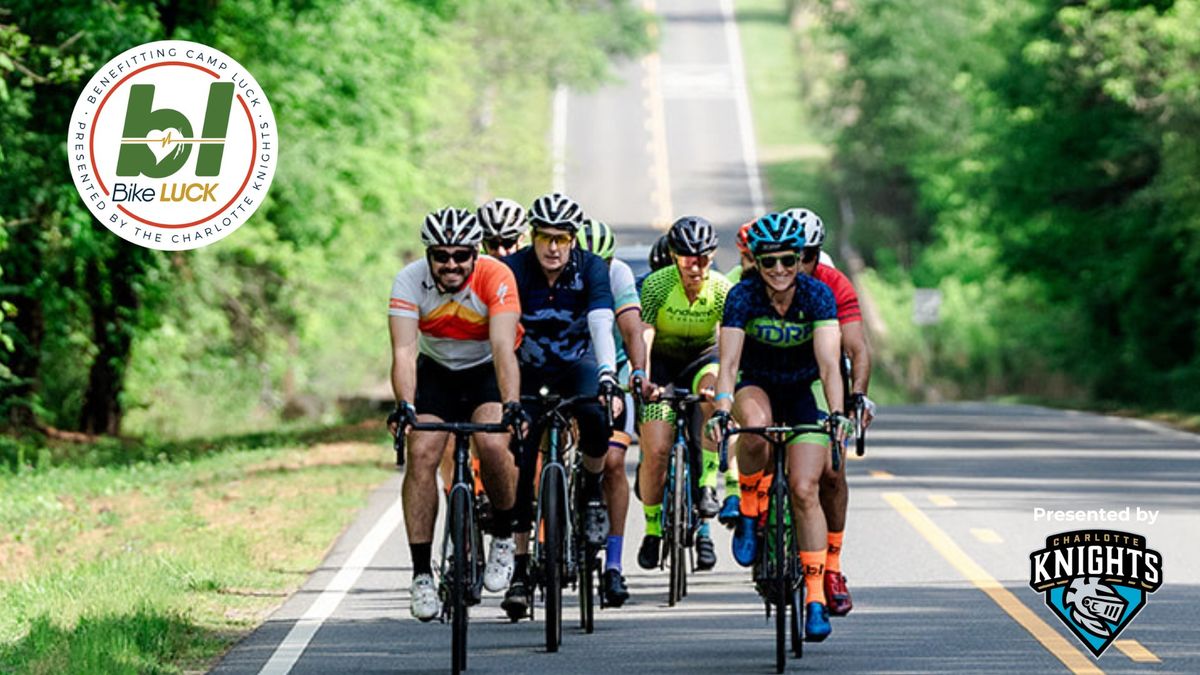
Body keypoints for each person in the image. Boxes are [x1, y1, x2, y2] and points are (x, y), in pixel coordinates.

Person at [707, 210, 852, 641]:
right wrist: (720, 406)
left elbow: (829, 365)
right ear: (757, 261)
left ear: (801, 258)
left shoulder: (817, 295)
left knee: (806, 489)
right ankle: (750, 512)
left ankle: (812, 598)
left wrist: (839, 414)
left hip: (800, 392)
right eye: (769, 262)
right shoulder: (742, 296)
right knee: (755, 425)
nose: (780, 270)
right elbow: (729, 363)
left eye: (789, 260)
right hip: (756, 384)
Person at [387, 207, 524, 621]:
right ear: (429, 255)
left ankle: (503, 534)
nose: (451, 264)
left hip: (484, 370)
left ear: (475, 253)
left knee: (492, 443)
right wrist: (406, 406)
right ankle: (420, 575)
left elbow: (503, 347)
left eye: (461, 255)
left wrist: (512, 402)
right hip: (436, 373)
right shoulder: (410, 280)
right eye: (441, 255)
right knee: (424, 451)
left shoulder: (496, 276)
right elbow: (404, 352)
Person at [500, 193, 621, 619]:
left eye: (562, 239)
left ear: (574, 240)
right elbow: (500, 330)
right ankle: (518, 568)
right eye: (545, 238)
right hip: (528, 369)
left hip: (577, 364)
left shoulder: (591, 268)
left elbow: (601, 323)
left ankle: (590, 494)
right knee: (522, 459)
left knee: (594, 415)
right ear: (532, 238)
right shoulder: (513, 269)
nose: (553, 248)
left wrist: (608, 374)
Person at [784, 206, 877, 617]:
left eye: (806, 255)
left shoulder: (833, 284)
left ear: (816, 254)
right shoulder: (764, 279)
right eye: (790, 254)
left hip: (822, 377)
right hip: (773, 374)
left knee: (833, 473)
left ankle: (833, 569)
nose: (797, 265)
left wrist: (856, 397)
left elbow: (856, 349)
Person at [636, 216, 731, 572]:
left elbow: (726, 342)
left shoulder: (721, 289)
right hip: (662, 365)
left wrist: (722, 384)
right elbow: (644, 333)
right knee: (657, 450)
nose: (697, 266)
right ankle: (651, 527)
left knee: (711, 392)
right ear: (674, 256)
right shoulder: (657, 285)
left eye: (704, 257)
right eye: (688, 258)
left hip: (702, 361)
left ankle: (707, 485)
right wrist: (642, 376)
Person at [576, 218, 649, 607]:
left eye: (601, 263)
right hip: (568, 368)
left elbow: (633, 332)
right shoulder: (558, 272)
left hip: (612, 372)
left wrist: (636, 374)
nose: (595, 271)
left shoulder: (618, 274)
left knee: (615, 462)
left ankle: (614, 566)